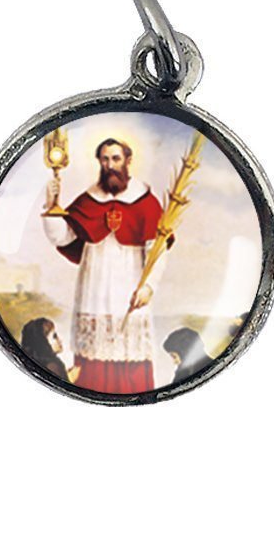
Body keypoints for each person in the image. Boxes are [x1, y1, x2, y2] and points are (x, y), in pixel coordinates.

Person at [43, 138, 168, 394]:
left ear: (128, 161)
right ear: (99, 162)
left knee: (131, 360)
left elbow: (158, 250)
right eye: (105, 159)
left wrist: (149, 287)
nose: (110, 165)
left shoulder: (145, 200)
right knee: (92, 363)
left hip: (130, 285)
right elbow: (62, 237)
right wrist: (50, 205)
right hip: (94, 288)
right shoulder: (89, 199)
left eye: (116, 159)